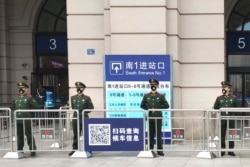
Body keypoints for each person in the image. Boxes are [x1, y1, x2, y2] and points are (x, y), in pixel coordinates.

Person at [140, 78, 169, 156]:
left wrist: (157, 109)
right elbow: (142, 105)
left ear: (157, 86)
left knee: (158, 134)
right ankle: (150, 149)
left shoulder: (161, 96)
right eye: (152, 85)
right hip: (150, 117)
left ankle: (160, 150)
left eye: (155, 85)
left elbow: (167, 106)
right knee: (150, 134)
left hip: (158, 117)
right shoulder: (146, 96)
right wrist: (148, 109)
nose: (153, 86)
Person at [12, 82, 38, 156]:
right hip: (18, 119)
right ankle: (20, 149)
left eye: (23, 88)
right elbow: (13, 107)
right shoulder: (15, 98)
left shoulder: (29, 98)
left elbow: (35, 106)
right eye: (20, 88)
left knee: (29, 134)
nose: (21, 89)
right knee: (19, 135)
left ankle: (32, 149)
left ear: (26, 89)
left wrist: (29, 113)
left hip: (26, 119)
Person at [68, 81, 94, 156]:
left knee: (86, 134)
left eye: (80, 88)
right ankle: (74, 149)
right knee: (76, 134)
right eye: (77, 88)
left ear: (83, 89)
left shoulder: (87, 98)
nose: (79, 89)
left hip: (84, 118)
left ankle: (88, 149)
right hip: (75, 118)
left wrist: (84, 112)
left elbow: (91, 108)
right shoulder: (73, 98)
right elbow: (73, 107)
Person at [213, 81, 237, 156]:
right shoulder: (219, 98)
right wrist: (221, 109)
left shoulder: (233, 98)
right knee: (222, 134)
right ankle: (222, 150)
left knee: (231, 134)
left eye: (225, 87)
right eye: (223, 87)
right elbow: (215, 107)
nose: (223, 89)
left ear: (229, 89)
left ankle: (230, 150)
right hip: (222, 118)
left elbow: (237, 107)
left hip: (231, 119)